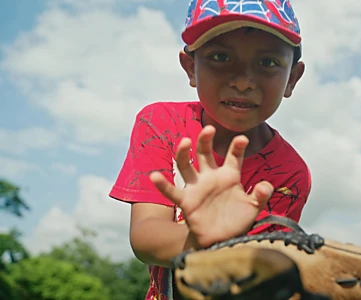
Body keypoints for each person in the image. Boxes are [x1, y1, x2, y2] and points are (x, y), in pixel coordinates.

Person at [108, 0, 310, 299]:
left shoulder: (290, 171)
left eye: (267, 62)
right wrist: (207, 238)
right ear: (191, 67)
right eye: (220, 56)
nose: (243, 81)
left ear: (292, 78)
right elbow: (145, 238)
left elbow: (264, 271)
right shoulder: (160, 124)